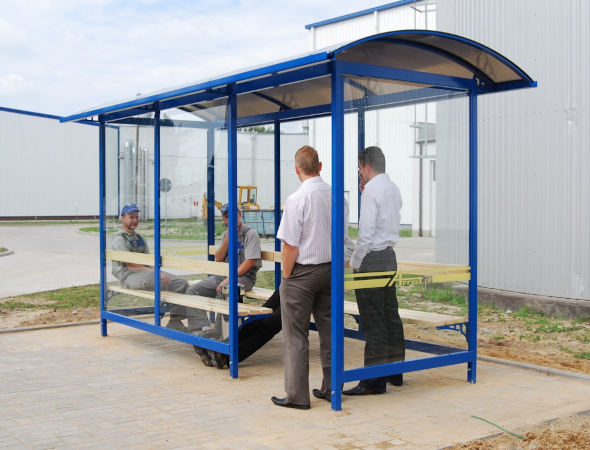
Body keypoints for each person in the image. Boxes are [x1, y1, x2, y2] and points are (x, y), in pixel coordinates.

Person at [271, 145, 343, 410]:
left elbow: (290, 246)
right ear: (320, 166)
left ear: (296, 169)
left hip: (302, 274)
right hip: (330, 271)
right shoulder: (338, 197)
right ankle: (331, 388)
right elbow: (343, 237)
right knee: (330, 332)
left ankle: (297, 396)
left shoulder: (296, 199)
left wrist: (287, 278)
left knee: (296, 336)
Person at [343, 146, 405, 397]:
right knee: (391, 315)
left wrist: (356, 261)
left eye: (360, 169)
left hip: (372, 259)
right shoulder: (393, 188)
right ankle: (394, 372)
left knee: (373, 320)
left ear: (366, 166)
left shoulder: (371, 191)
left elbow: (366, 232)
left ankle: (372, 382)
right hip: (390, 257)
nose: (360, 174)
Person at [186, 203, 262, 366]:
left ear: (240, 214)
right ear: (224, 219)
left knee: (226, 291)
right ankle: (205, 331)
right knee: (192, 291)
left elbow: (249, 263)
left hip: (244, 278)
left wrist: (228, 280)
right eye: (227, 216)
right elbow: (218, 259)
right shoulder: (225, 235)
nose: (231, 218)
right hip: (222, 276)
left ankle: (222, 341)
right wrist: (226, 241)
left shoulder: (250, 234)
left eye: (233, 214)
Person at [110, 204, 189, 331]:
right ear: (123, 218)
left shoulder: (140, 238)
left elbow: (149, 261)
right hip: (128, 277)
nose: (135, 220)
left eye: (137, 217)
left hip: (146, 274)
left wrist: (156, 271)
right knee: (158, 279)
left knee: (182, 283)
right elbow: (131, 266)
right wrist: (157, 274)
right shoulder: (119, 240)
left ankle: (176, 320)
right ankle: (163, 311)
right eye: (131, 217)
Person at [208, 289, 282, 369]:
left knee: (269, 325)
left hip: (295, 297)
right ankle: (224, 346)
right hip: (287, 287)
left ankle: (229, 356)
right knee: (256, 318)